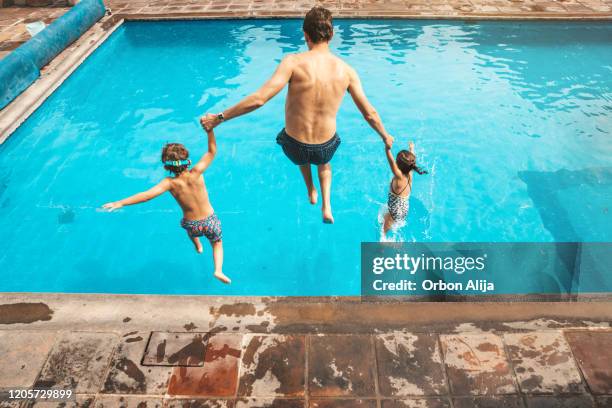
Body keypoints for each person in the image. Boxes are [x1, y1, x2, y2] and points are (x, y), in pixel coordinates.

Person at [200, 6, 394, 224]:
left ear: (305, 34)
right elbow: (369, 113)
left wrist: (219, 118)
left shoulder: (293, 62)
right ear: (331, 34)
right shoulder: (346, 71)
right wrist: (385, 136)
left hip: (294, 146)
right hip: (325, 147)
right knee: (324, 164)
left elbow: (259, 99)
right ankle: (326, 204)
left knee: (301, 155)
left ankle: (311, 190)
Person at [102, 125, 231, 284]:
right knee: (217, 244)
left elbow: (147, 196)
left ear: (166, 166)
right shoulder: (197, 172)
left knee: (188, 228)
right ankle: (218, 270)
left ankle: (197, 245)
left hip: (192, 224)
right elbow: (212, 151)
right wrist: (210, 130)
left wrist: (120, 202)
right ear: (188, 160)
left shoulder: (169, 183)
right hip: (210, 220)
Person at [383, 141, 427, 235]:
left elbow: (391, 163)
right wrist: (411, 149)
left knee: (383, 233)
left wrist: (387, 149)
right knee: (394, 224)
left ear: (397, 166)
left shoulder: (399, 177)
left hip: (395, 210)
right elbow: (411, 162)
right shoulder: (410, 174)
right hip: (404, 208)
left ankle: (383, 245)